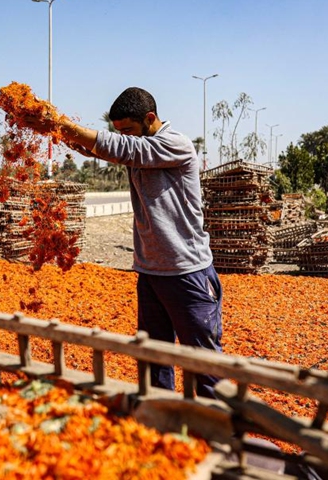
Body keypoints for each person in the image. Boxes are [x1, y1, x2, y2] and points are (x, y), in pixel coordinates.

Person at [26, 86, 223, 397]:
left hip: (187, 272)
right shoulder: (139, 147)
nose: (126, 138)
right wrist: (53, 129)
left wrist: (65, 125)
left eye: (129, 130)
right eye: (120, 132)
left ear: (150, 119)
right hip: (151, 273)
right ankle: (162, 426)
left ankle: (222, 435)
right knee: (153, 360)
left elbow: (124, 149)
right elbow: (103, 149)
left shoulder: (175, 145)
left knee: (204, 365)